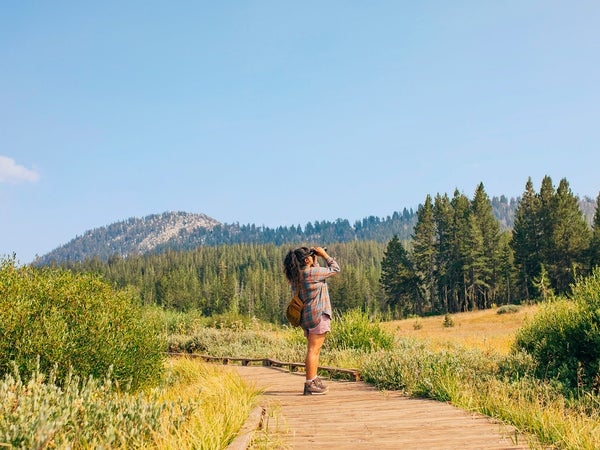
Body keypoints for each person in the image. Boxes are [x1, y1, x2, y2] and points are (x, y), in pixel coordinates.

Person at [283, 246, 340, 395]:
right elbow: (335, 268)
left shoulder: (299, 275)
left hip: (306, 318)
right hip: (317, 316)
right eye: (312, 257)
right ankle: (310, 383)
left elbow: (317, 274)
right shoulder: (311, 273)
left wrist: (314, 260)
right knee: (314, 351)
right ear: (307, 260)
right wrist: (324, 255)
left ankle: (313, 379)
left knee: (313, 350)